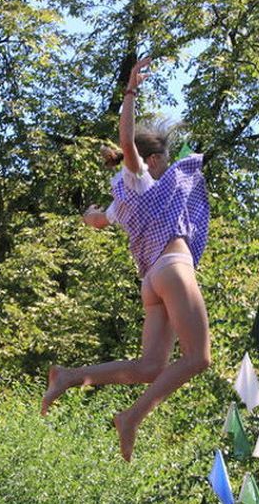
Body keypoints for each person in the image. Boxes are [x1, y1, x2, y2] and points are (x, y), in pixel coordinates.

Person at [41, 57, 211, 461]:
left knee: (151, 366)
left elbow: (96, 220)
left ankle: (69, 377)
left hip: (152, 283)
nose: (167, 171)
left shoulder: (123, 200)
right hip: (171, 268)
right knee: (199, 359)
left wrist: (91, 213)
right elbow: (127, 139)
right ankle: (132, 417)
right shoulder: (142, 177)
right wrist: (131, 91)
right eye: (164, 164)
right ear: (152, 162)